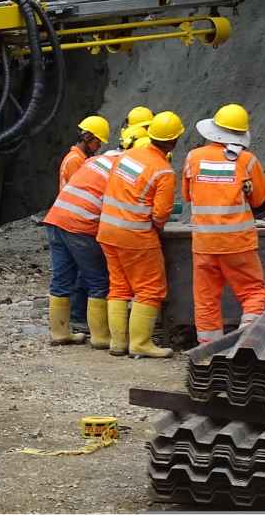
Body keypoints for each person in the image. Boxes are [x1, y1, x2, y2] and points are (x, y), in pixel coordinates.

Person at [97, 110, 183, 358]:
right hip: (135, 235)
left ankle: (117, 343)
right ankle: (140, 343)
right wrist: (154, 225)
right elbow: (161, 213)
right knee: (149, 289)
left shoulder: (128, 155)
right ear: (174, 141)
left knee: (119, 288)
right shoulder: (163, 171)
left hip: (107, 230)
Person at [183, 104, 265, 342]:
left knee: (206, 299)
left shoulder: (193, 157)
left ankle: (207, 353)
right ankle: (248, 342)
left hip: (204, 243)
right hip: (238, 242)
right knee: (253, 293)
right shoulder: (247, 160)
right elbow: (260, 199)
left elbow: (188, 195)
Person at [43, 116, 113, 346]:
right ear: (87, 137)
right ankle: (100, 336)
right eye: (97, 142)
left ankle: (61, 332)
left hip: (58, 219)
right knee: (97, 279)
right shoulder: (77, 161)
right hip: (75, 224)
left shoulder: (82, 159)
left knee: (63, 278)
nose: (99, 147)